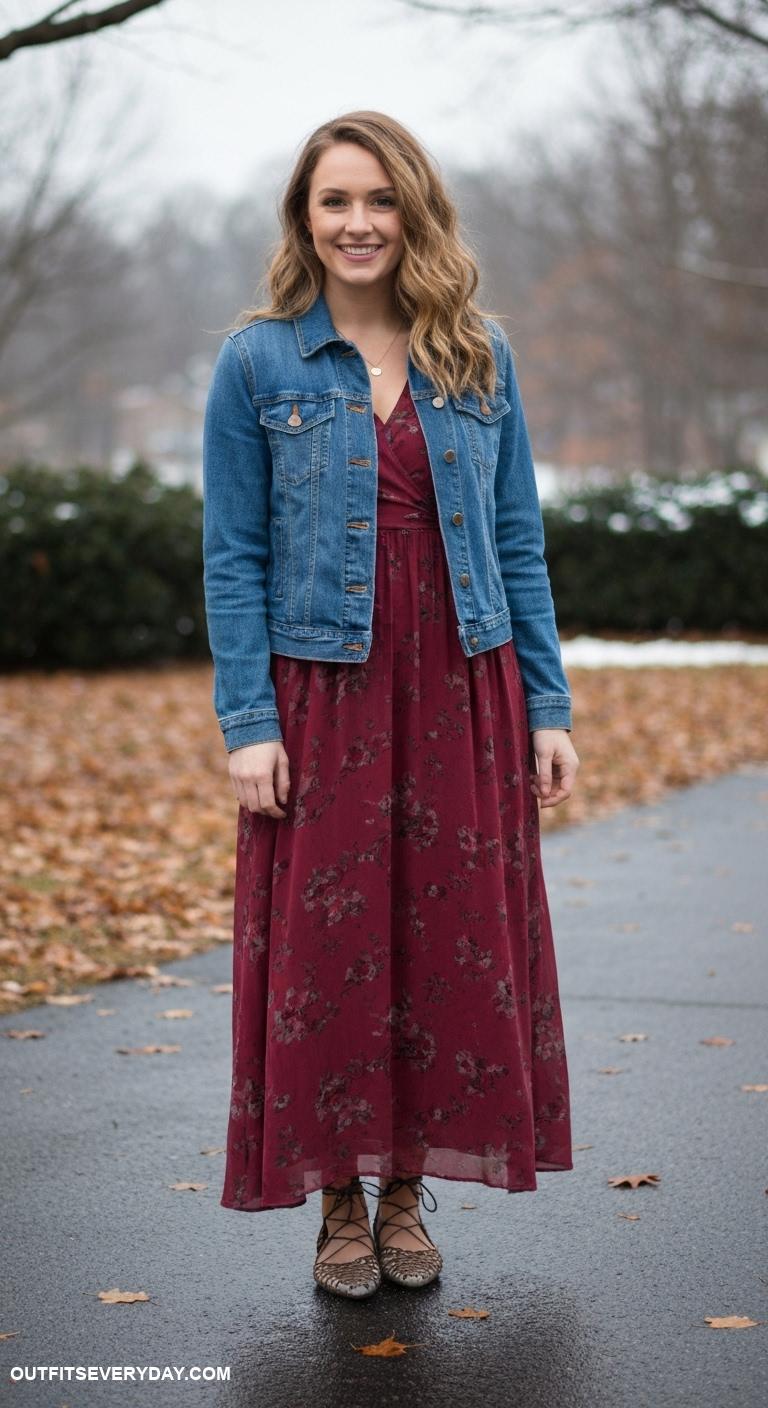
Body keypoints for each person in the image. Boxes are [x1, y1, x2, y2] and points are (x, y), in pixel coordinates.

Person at [202, 110, 580, 1300]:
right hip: (322, 693)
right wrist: (247, 721)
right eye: (334, 201)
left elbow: (518, 543)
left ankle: (407, 1190)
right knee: (329, 950)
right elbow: (232, 558)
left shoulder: (478, 357)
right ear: (304, 220)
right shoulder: (257, 362)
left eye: (379, 199)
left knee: (440, 940)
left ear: (412, 211)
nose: (358, 222)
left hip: (464, 687)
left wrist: (547, 702)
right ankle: (336, 1205)